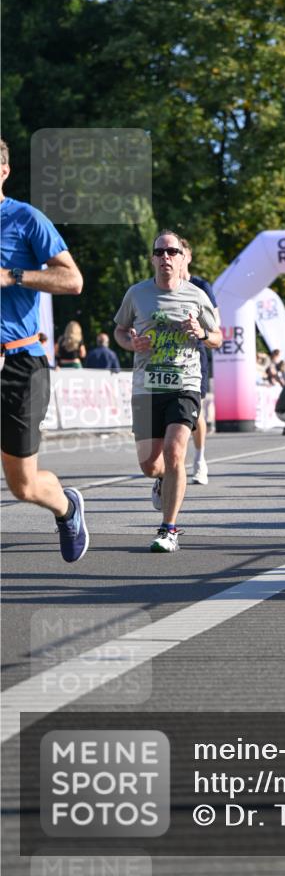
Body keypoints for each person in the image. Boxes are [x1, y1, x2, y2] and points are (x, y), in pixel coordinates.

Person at [0, 137, 89, 562]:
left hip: (19, 363)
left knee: (24, 485)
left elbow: (72, 281)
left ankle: (67, 507)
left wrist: (14, 275)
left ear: (3, 171)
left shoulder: (25, 219)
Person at [113, 230, 221, 552]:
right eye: (159, 252)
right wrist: (130, 342)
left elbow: (217, 338)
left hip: (184, 385)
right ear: (153, 259)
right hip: (147, 388)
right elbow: (119, 330)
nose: (166, 258)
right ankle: (162, 480)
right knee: (150, 465)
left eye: (172, 252)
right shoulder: (137, 294)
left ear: (182, 258)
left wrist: (201, 333)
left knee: (176, 452)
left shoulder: (197, 296)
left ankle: (168, 528)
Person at [180, 237, 220, 486]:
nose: (174, 257)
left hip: (195, 354)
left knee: (195, 413)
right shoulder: (159, 287)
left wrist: (202, 332)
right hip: (165, 358)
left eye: (179, 252)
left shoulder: (201, 286)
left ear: (188, 257)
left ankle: (199, 459)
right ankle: (172, 465)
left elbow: (216, 326)